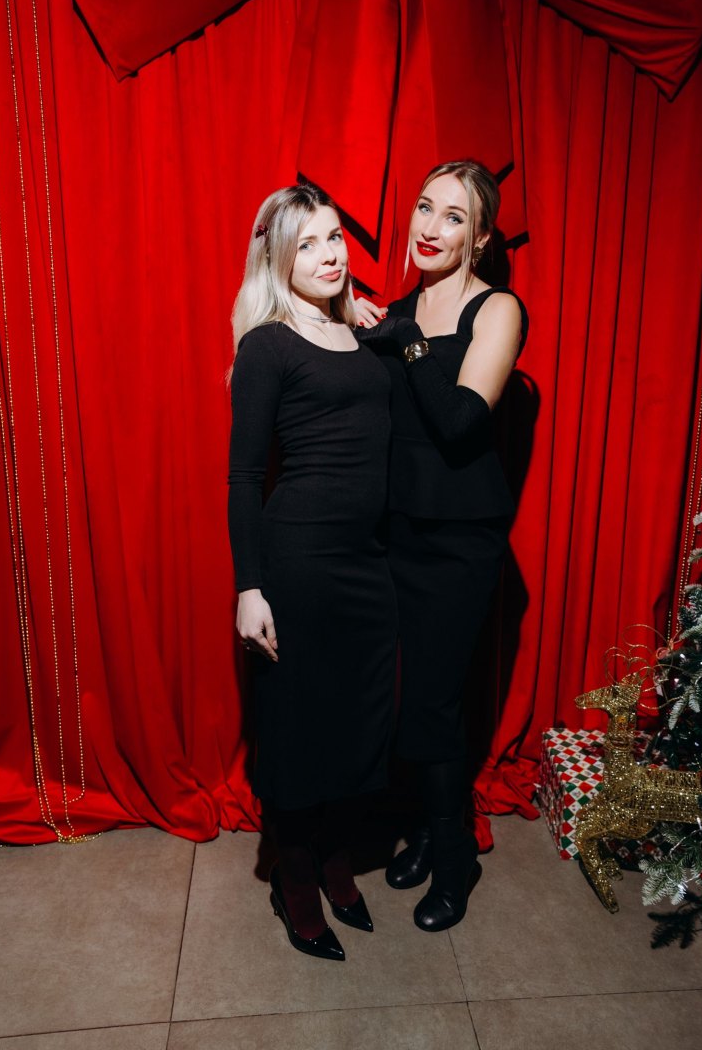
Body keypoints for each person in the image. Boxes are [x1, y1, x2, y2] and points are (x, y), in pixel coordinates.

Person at [356, 160, 528, 933]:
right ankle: (427, 831)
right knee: (404, 698)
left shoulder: (498, 309)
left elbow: (460, 425)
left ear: (481, 237)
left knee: (434, 697)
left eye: (453, 216)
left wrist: (410, 344)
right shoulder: (395, 313)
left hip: (460, 542)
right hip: (395, 534)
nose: (430, 227)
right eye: (425, 207)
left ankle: (454, 855)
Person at [227, 183, 397, 962]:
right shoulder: (267, 346)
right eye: (309, 245)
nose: (329, 255)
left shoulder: (359, 331)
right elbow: (243, 477)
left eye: (335, 237)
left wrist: (376, 323)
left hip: (368, 562)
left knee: (357, 720)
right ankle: (295, 872)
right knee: (298, 726)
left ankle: (334, 852)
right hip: (297, 561)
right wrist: (250, 587)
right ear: (279, 259)